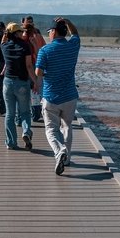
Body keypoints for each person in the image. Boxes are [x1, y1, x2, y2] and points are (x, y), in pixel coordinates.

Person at [35, 17, 80, 175]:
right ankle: (66, 159)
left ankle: (59, 151)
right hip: (70, 96)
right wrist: (68, 21)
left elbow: (38, 73)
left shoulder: (45, 50)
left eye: (49, 31)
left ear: (53, 32)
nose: (48, 34)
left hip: (51, 97)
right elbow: (75, 34)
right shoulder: (73, 46)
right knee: (67, 126)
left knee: (51, 129)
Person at [1, 22, 38, 150]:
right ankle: (26, 132)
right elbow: (28, 66)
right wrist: (35, 81)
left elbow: (3, 39)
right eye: (20, 31)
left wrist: (7, 29)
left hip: (7, 83)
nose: (23, 33)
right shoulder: (25, 46)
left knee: (10, 115)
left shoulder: (4, 46)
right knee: (25, 112)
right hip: (22, 82)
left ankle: (11, 142)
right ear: (16, 33)